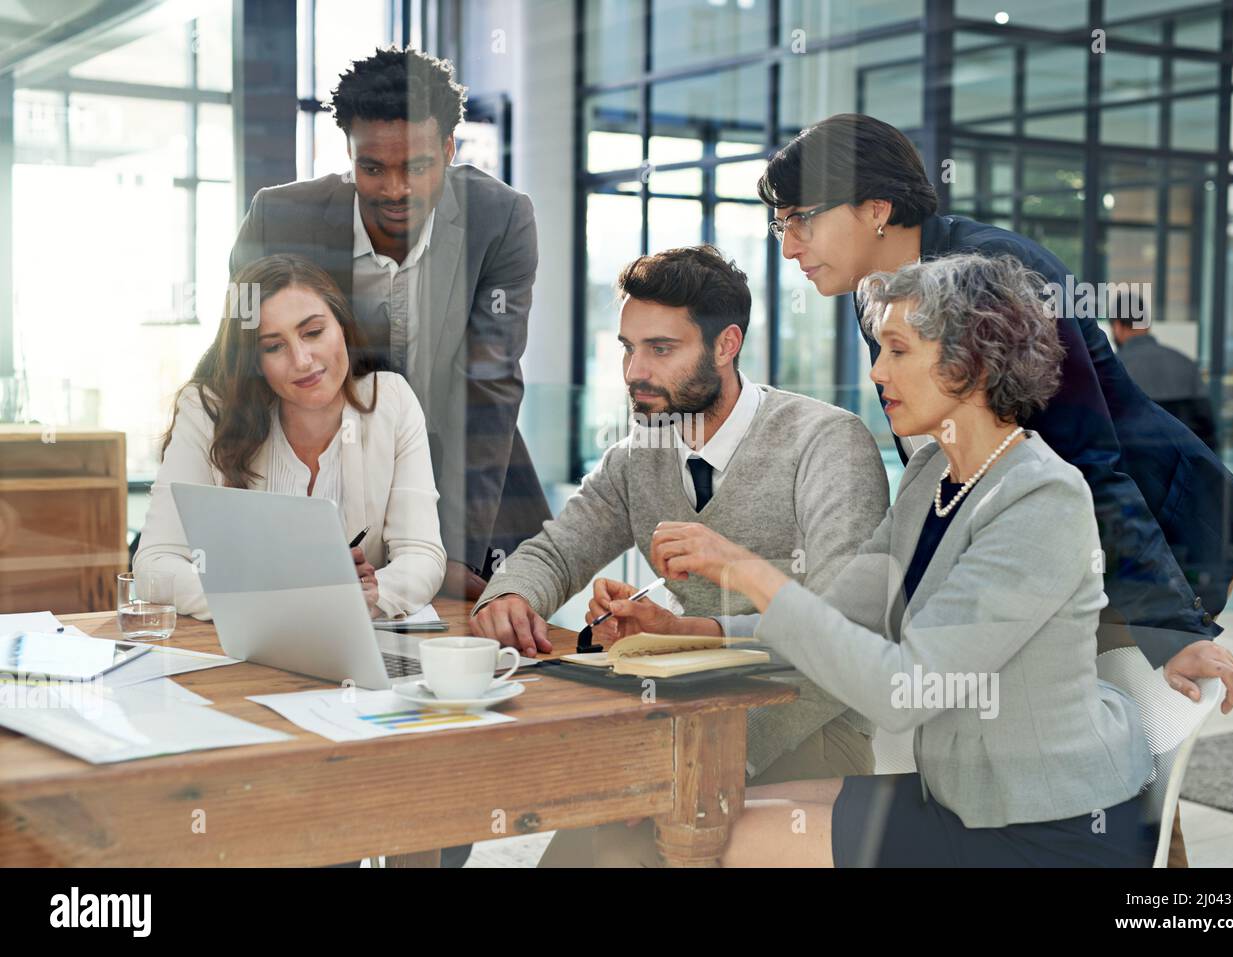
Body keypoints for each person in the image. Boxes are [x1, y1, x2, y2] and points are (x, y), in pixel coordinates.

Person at [653, 254, 1157, 867]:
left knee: (723, 842)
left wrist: (747, 572)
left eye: (897, 350)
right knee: (708, 808)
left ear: (971, 360)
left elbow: (905, 691)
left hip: (1046, 827)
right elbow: (842, 620)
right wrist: (689, 634)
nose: (875, 372)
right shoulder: (929, 476)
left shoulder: (1041, 499)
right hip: (955, 796)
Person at [758, 113, 1233, 706]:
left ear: (875, 209)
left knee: (1120, 742)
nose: (789, 246)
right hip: (1058, 536)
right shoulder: (878, 290)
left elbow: (1084, 458)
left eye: (800, 220)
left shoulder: (998, 275)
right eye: (778, 224)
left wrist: (1172, 626)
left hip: (1151, 532)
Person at [470, 245, 889, 866]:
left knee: (622, 851)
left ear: (726, 346)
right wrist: (510, 596)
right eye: (626, 347)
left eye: (660, 349)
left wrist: (688, 746)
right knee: (574, 859)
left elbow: (841, 632)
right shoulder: (639, 454)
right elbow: (559, 548)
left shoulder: (826, 443)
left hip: (805, 725)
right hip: (683, 719)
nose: (634, 371)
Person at [229, 47, 548, 604]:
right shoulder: (278, 220)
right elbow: (239, 362)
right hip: (322, 481)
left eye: (418, 166)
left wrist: (446, 557)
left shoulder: (499, 220)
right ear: (348, 153)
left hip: (464, 488)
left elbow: (489, 386)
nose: (396, 189)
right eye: (372, 167)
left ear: (449, 149)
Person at [135, 254, 446, 621]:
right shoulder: (208, 411)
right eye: (273, 346)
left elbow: (422, 557)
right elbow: (155, 567)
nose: (302, 360)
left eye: (313, 332)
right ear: (253, 361)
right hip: (241, 648)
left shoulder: (390, 401)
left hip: (350, 643)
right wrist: (280, 595)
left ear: (341, 326)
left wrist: (365, 596)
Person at [1111, 310, 1218, 452]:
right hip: (1184, 464)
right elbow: (1207, 427)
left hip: (1133, 467)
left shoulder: (1113, 369)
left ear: (1117, 326)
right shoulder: (1186, 364)